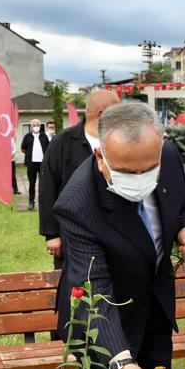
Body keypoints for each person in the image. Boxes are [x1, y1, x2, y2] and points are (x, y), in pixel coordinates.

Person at [52, 102, 185, 369]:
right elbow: (95, 287)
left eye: (148, 169)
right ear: (101, 158)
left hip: (155, 306)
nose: (140, 178)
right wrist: (121, 361)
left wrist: (184, 228)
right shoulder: (78, 204)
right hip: (103, 321)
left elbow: (181, 203)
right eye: (127, 172)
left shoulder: (167, 156)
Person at [39, 89, 120, 268]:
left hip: (113, 230)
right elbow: (47, 187)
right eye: (117, 112)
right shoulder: (63, 142)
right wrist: (52, 234)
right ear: (102, 114)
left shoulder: (119, 141)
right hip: (73, 232)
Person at [20, 119, 49, 211]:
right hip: (31, 164)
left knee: (43, 184)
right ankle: (31, 202)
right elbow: (23, 149)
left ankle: (43, 202)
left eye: (38, 125)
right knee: (32, 183)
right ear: (31, 126)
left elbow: (48, 148)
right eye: (34, 125)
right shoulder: (27, 136)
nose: (36, 126)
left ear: (40, 126)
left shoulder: (44, 136)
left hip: (42, 164)